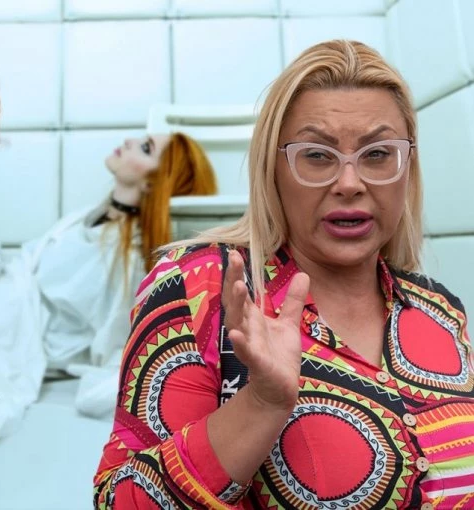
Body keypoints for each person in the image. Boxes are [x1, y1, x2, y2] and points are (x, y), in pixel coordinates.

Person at [94, 40, 473, 509]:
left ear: (407, 168)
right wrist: (261, 405)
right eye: (316, 155)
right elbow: (121, 501)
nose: (350, 183)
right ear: (272, 170)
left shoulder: (440, 309)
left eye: (377, 154)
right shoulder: (200, 286)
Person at [0, 132, 218, 451]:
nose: (129, 141)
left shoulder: (126, 258)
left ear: (155, 183)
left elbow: (112, 336)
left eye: (145, 148)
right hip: (1, 295)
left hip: (16, 324)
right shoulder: (91, 220)